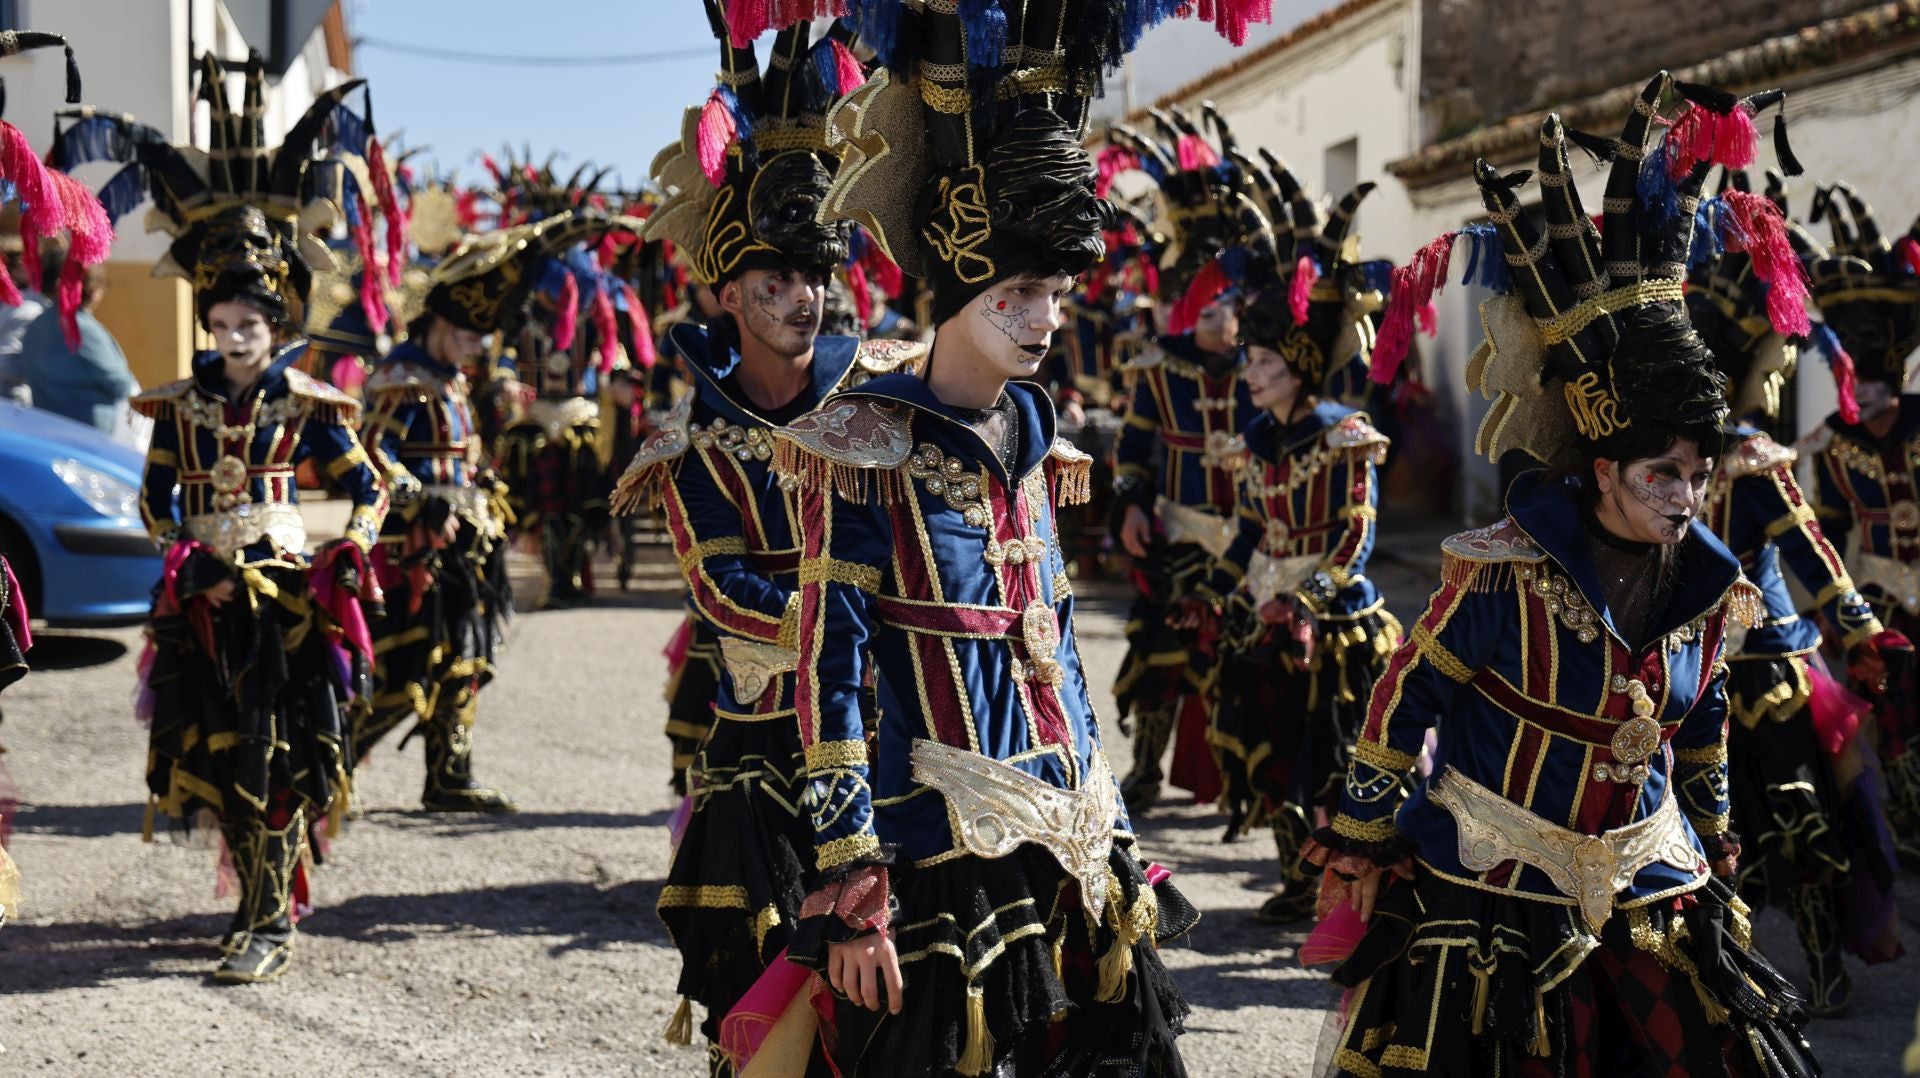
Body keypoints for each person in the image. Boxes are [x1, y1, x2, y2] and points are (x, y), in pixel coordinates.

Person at [767, 3, 1262, 1073]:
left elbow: (1058, 649)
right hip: (937, 849)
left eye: (1058, 292)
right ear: (956, 286)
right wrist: (853, 875)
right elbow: (828, 670)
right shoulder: (862, 444)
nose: (1046, 318)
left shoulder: (1040, 440)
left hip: (1072, 832)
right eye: (1021, 290)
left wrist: (1115, 824)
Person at [1306, 74, 1819, 1074]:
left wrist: (1713, 837)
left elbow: (1701, 723)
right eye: (1659, 473)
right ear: (1599, 471)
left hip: (1649, 883)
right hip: (1493, 888)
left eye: (1697, 474)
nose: (1684, 496)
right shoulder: (1500, 575)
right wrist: (1363, 839)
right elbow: (1404, 696)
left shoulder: (1716, 597)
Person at [610, 12, 921, 1071]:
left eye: (815, 276)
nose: (803, 298)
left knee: (900, 988)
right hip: (765, 735)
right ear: (729, 292)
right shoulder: (691, 436)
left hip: (889, 726)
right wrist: (834, 629)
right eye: (776, 282)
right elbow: (719, 583)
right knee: (764, 982)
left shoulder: (883, 397)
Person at [120, 54, 387, 983]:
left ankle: (271, 916)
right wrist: (178, 556)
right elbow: (154, 501)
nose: (235, 337)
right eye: (222, 320)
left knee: (276, 751)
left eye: (251, 324)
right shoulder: (178, 410)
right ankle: (252, 903)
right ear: (208, 321)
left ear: (274, 328)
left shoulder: (311, 407)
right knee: (216, 745)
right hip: (202, 601)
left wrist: (349, 548)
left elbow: (372, 487)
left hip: (285, 603)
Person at [1688, 171, 1903, 1015]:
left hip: (1768, 670)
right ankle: (1720, 970)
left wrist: (1858, 630)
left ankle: (1823, 965)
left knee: (1793, 826)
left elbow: (1811, 552)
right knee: (1704, 831)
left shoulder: (1749, 458)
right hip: (1683, 672)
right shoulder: (1659, 457)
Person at [1193, 159, 1399, 923]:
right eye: (1249, 360)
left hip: (1335, 623)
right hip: (1263, 608)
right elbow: (1250, 530)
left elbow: (1356, 537)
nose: (1250, 374)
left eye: (1266, 364)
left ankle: (1348, 889)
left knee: (1329, 758)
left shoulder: (1346, 439)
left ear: (1303, 368)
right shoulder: (1254, 439)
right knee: (1271, 751)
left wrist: (1308, 604)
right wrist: (1215, 592)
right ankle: (1296, 879)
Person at [357, 217, 591, 814]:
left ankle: (449, 775)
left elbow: (463, 456)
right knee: (406, 667)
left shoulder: (452, 382)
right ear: (440, 320)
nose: (477, 346)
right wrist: (422, 498)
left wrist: (481, 479)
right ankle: (332, 764)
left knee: (465, 662)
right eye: (468, 334)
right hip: (414, 550)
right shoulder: (399, 380)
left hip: (467, 544)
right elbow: (368, 456)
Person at [1103, 107, 1270, 813]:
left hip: (1251, 535)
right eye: (1201, 307)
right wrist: (1131, 504)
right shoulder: (1160, 368)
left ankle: (1239, 780)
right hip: (1174, 527)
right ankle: (1143, 769)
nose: (1212, 318)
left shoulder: (1266, 370)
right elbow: (1135, 445)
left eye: (1223, 305)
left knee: (1238, 659)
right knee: (1161, 656)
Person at [1801, 182, 1920, 866]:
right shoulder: (1834, 443)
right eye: (1856, 380)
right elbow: (1826, 527)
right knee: (1884, 715)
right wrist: (1825, 609)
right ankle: (1902, 824)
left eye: (1876, 379)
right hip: (1874, 600)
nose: (1865, 393)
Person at [21, 243, 137, 434]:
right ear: (94, 291)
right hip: (89, 436)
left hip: (46, 428)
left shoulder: (37, 324)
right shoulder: (83, 329)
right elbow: (120, 384)